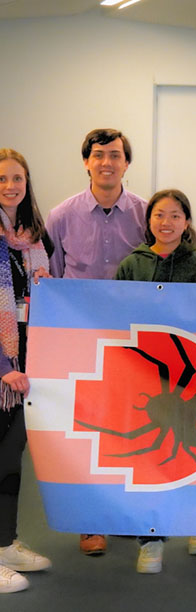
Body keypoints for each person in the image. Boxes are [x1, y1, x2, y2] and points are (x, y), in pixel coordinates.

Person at [45, 128, 146, 557]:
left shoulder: (146, 213)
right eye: (99, 155)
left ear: (127, 163)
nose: (107, 162)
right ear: (86, 161)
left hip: (134, 338)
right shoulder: (61, 216)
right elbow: (49, 280)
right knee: (87, 430)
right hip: (80, 339)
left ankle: (123, 513)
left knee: (131, 427)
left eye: (116, 155)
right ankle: (90, 521)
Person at [114, 189, 196, 573]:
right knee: (151, 457)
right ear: (149, 220)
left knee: (193, 452)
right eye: (159, 215)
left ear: (187, 222)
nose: (166, 222)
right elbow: (115, 315)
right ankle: (151, 539)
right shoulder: (131, 265)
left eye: (175, 215)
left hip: (193, 379)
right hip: (146, 380)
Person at [0, 150, 52, 593]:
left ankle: (4, 544)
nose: (10, 185)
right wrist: (3, 367)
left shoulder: (34, 238)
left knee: (9, 459)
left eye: (18, 177)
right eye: (1, 178)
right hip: (3, 373)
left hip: (26, 370)